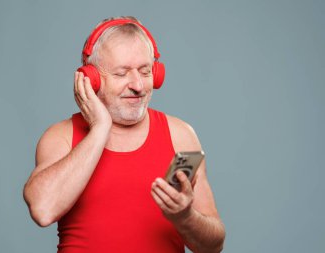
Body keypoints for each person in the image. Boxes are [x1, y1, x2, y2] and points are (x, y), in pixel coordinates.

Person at [23, 16, 225, 253]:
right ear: (91, 79)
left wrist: (185, 217)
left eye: (145, 71)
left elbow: (213, 246)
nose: (138, 85)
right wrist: (100, 128)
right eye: (122, 74)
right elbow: (43, 210)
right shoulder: (62, 137)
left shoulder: (180, 136)